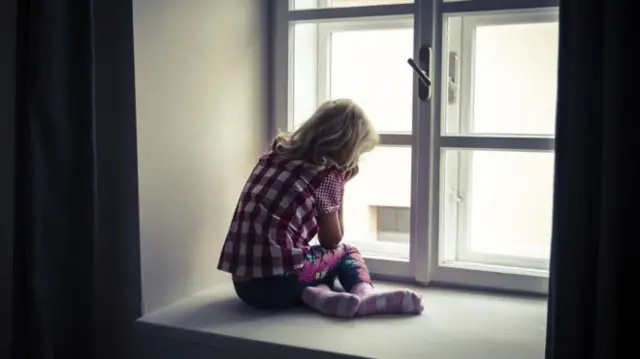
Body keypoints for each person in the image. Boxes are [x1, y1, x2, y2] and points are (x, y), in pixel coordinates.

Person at [217, 99, 424, 318]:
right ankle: (364, 295)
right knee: (346, 253)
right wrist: (340, 187)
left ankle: (322, 297)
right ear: (348, 148)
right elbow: (332, 240)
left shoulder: (273, 156)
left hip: (245, 287)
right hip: (278, 285)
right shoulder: (326, 176)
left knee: (306, 261)